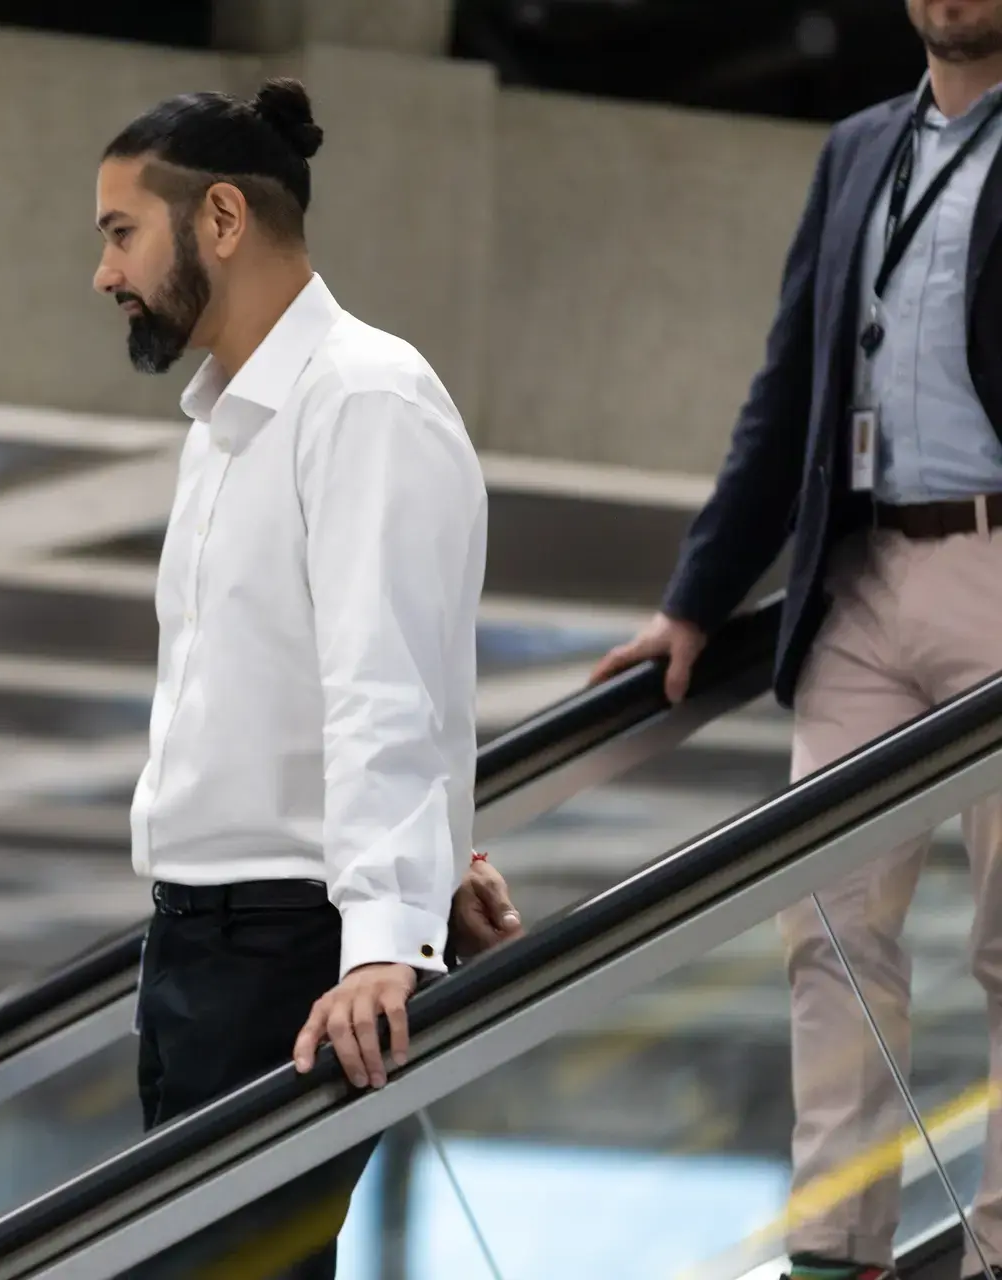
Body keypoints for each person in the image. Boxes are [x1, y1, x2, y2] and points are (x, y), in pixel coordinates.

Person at [589, 3, 1002, 1276]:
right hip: (864, 576)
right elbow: (787, 390)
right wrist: (696, 600)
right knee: (825, 923)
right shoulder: (857, 150)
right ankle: (834, 1245)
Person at [93, 78, 521, 1277]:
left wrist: (388, 928)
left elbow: (383, 678)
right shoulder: (226, 421)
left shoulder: (363, 395)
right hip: (198, 941)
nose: (106, 273)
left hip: (288, 946)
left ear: (219, 218)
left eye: (122, 232)